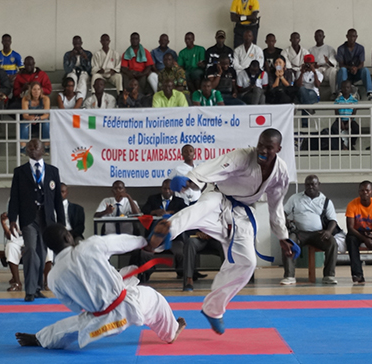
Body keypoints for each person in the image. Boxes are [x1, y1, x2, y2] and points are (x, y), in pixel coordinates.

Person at [166, 128, 293, 334]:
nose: (262, 150)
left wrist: (283, 236)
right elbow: (215, 165)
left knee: (248, 263)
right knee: (199, 209)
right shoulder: (243, 156)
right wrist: (190, 180)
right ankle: (164, 233)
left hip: (242, 212)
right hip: (218, 196)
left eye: (269, 147)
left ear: (278, 149)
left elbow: (276, 205)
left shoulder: (280, 172)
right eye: (260, 144)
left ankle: (213, 309)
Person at [14, 222, 186, 350]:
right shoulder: (91, 245)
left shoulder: (53, 277)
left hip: (99, 323)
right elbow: (121, 242)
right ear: (68, 237)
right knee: (154, 299)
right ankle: (171, 332)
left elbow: (76, 308)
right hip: (128, 308)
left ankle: (39, 339)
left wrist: (94, 301)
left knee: (66, 328)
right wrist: (145, 242)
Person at [8, 139, 65, 302]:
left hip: (47, 218)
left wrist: (61, 223)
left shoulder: (53, 171)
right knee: (31, 250)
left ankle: (38, 288)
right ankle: (30, 290)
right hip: (29, 217)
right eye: (30, 147)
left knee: (41, 252)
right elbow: (15, 197)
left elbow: (57, 200)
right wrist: (13, 219)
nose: (33, 149)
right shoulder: (20, 171)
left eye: (36, 146)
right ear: (26, 151)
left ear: (43, 150)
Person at [282, 175, 338, 285]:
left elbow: (333, 220)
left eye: (313, 184)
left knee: (332, 242)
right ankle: (289, 276)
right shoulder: (295, 198)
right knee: (288, 242)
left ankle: (329, 275)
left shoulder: (326, 201)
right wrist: (285, 220)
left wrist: (328, 232)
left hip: (319, 234)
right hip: (299, 233)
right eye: (308, 184)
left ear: (319, 185)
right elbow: (283, 213)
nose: (310, 187)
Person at [139, 179, 188, 280]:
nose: (167, 191)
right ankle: (147, 272)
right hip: (155, 237)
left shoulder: (179, 201)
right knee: (145, 253)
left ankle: (181, 273)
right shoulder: (153, 199)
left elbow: (185, 212)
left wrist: (171, 212)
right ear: (161, 189)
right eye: (164, 188)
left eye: (169, 189)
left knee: (181, 252)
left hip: (174, 238)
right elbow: (144, 211)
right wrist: (154, 212)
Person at [337, 29, 372, 101]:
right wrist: (350, 68)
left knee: (365, 70)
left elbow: (361, 63)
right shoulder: (341, 48)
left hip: (357, 72)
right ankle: (340, 92)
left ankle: (370, 93)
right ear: (346, 36)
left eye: (353, 36)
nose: (351, 38)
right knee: (342, 70)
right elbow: (341, 64)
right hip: (346, 73)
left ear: (356, 37)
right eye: (350, 36)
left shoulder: (360, 48)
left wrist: (356, 68)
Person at [21, 82, 51, 152]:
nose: (36, 92)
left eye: (38, 89)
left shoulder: (45, 99)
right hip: (30, 120)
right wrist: (31, 118)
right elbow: (25, 115)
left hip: (41, 119)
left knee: (46, 123)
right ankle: (22, 148)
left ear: (41, 91)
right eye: (34, 89)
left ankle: (47, 147)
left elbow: (46, 114)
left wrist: (39, 118)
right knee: (24, 124)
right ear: (30, 91)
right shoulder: (25, 99)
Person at [331, 80, 360, 150]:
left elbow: (354, 112)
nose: (346, 89)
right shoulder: (338, 100)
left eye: (348, 87)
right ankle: (341, 144)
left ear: (350, 89)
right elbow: (336, 112)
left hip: (350, 119)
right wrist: (340, 121)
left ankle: (351, 144)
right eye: (344, 87)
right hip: (340, 119)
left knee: (356, 129)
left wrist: (349, 122)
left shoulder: (354, 100)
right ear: (341, 89)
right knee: (334, 128)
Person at [309, 29, 338, 98]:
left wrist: (327, 61)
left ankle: (333, 93)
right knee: (310, 72)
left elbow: (333, 64)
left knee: (333, 71)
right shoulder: (310, 50)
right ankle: (313, 94)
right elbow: (308, 63)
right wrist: (313, 65)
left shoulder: (330, 49)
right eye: (316, 36)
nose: (318, 37)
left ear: (323, 37)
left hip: (326, 69)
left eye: (320, 36)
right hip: (317, 70)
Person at [296, 54, 323, 121]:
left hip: (313, 94)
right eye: (307, 63)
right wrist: (302, 73)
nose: (309, 65)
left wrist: (314, 73)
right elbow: (298, 85)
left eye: (311, 63)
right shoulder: (299, 72)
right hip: (302, 94)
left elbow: (317, 85)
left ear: (314, 63)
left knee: (308, 95)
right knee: (302, 89)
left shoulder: (318, 73)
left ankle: (305, 124)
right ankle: (309, 108)